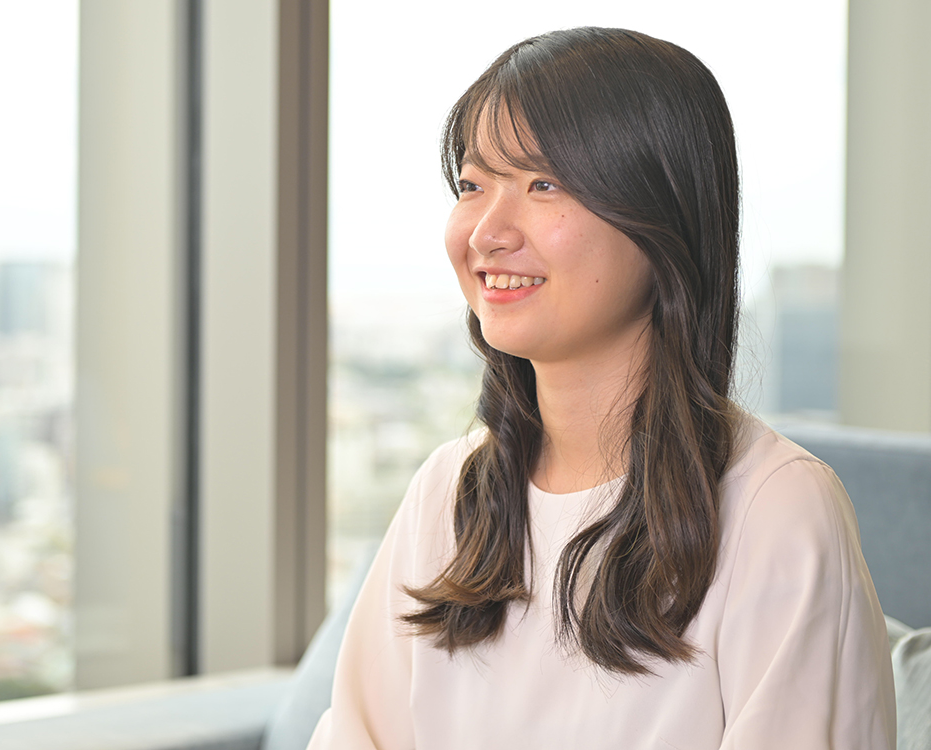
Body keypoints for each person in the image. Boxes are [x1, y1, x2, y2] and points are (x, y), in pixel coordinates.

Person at [308, 27, 895, 749]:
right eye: (472, 184)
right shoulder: (447, 494)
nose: (486, 232)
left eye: (543, 184)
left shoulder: (775, 510)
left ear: (663, 218)